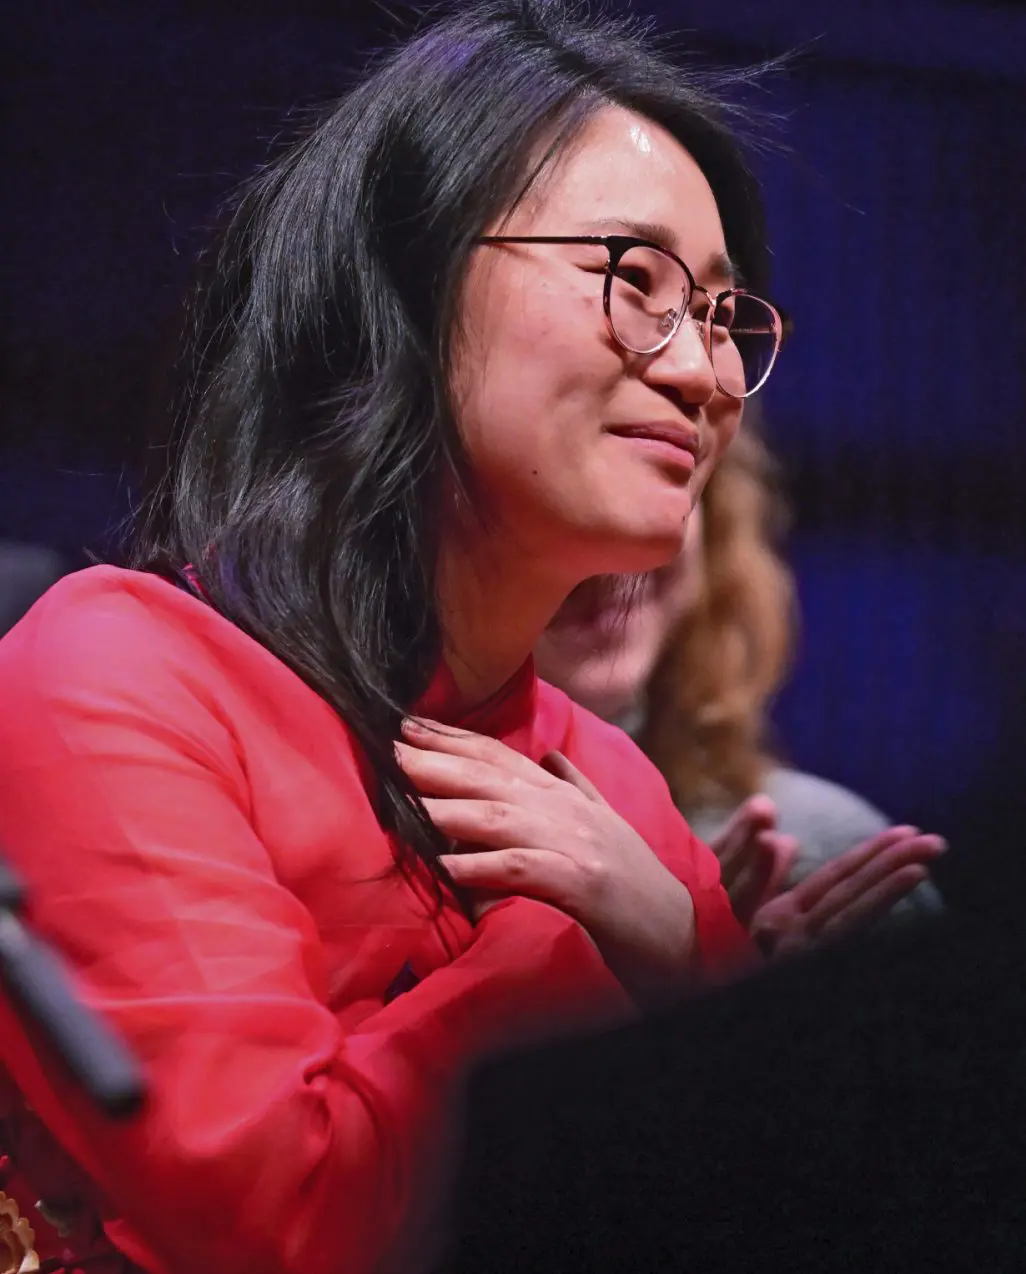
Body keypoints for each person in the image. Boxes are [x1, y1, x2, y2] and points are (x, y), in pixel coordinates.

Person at [0, 4, 942, 1273]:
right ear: (413, 279)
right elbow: (285, 1222)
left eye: (722, 314)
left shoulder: (611, 794)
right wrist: (589, 945)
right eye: (635, 281)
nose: (707, 372)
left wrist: (680, 943)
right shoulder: (118, 676)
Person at [535, 420, 945, 946]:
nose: (616, 552)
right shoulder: (399, 857)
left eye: (662, 478)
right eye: (552, 497)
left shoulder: (815, 858)